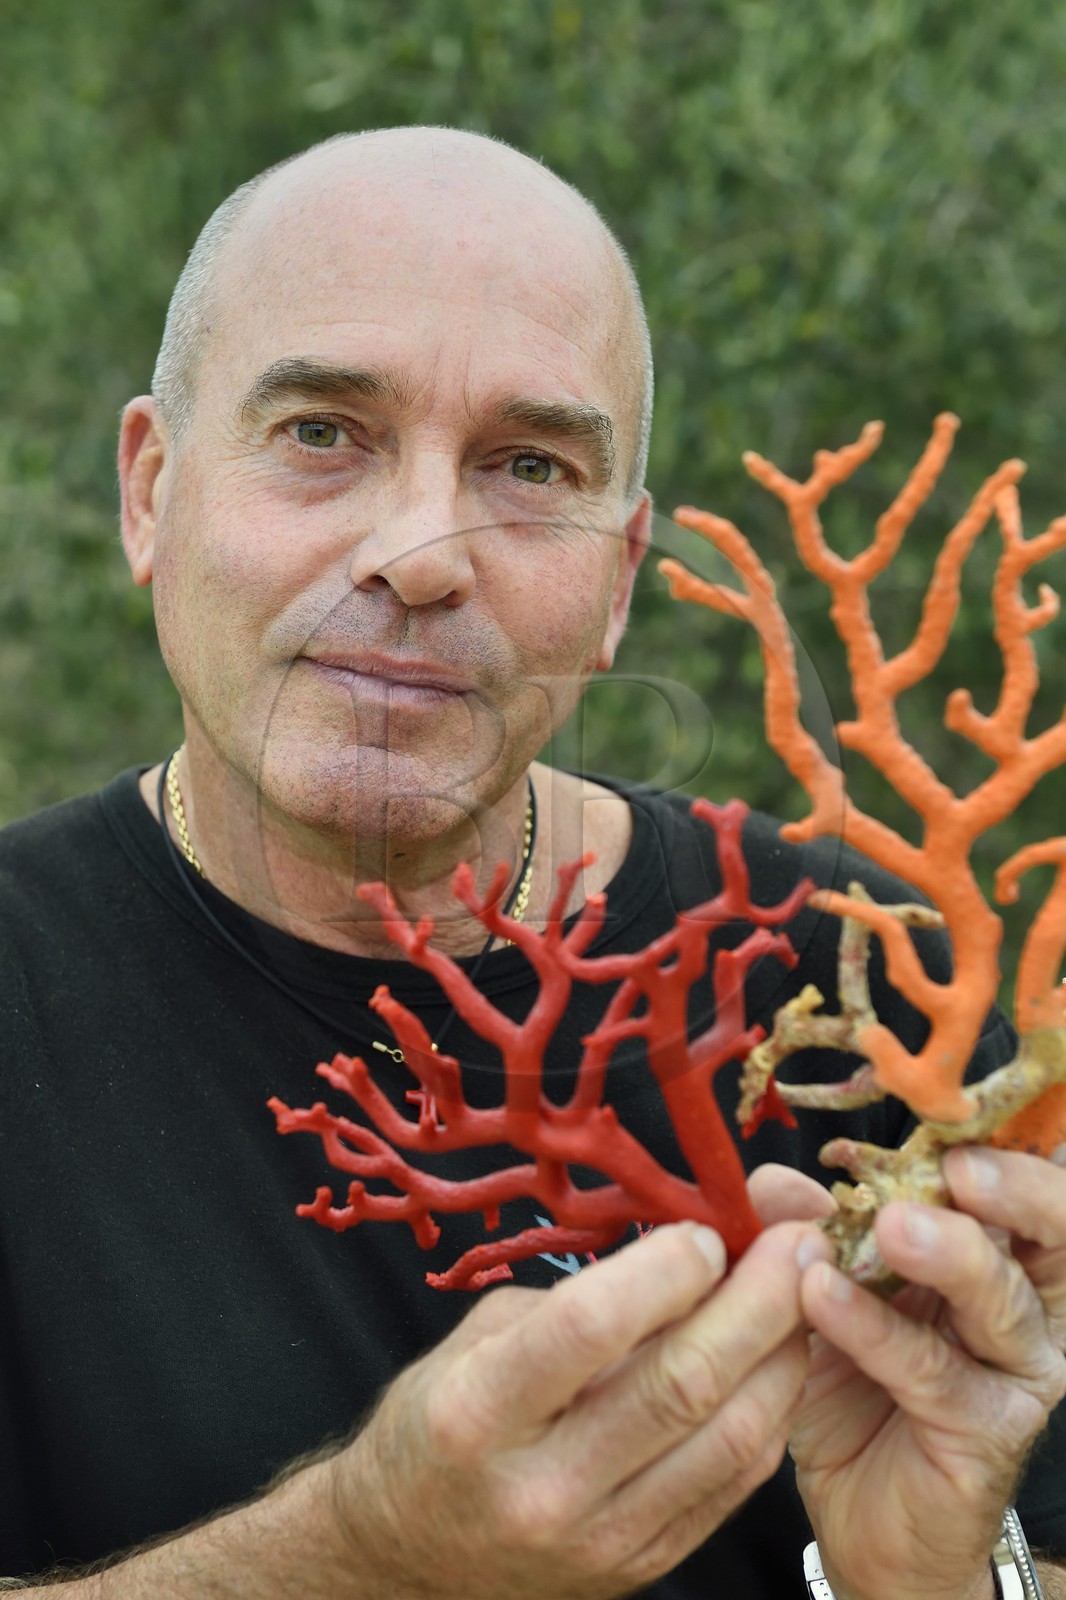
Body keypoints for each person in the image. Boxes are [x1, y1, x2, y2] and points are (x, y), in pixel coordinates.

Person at [0, 124, 1062, 1599]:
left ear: (617, 586)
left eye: (527, 465)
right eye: (322, 433)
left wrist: (937, 1580)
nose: (422, 553)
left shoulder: (875, 1000)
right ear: (149, 490)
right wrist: (354, 1561)